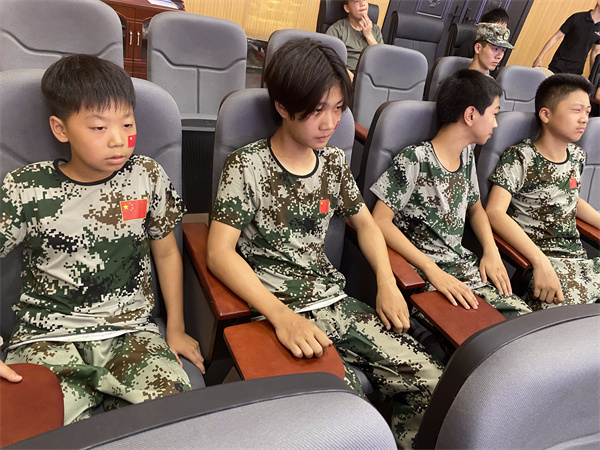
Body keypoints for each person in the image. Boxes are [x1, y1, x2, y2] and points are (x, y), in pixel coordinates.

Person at [206, 38, 442, 449]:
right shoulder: (247, 165)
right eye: (317, 110)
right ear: (283, 106)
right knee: (343, 420)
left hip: (334, 300)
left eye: (338, 109)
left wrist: (385, 281)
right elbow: (218, 252)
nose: (330, 123)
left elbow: (367, 225)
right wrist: (281, 316)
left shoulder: (332, 162)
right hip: (275, 309)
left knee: (432, 381)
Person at [0, 55, 204, 423]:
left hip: (132, 333)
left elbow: (166, 253)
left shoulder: (146, 176)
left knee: (174, 428)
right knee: (35, 431)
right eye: (98, 127)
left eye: (127, 123)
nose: (119, 140)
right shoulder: (25, 188)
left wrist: (176, 326)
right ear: (61, 129)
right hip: (46, 339)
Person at [371, 70, 531, 323]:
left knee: (524, 324)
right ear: (470, 115)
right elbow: (379, 221)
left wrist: (491, 251)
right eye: (494, 114)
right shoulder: (415, 159)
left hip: (465, 270)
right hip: (428, 278)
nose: (496, 124)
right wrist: (431, 269)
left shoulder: (466, 155)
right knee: (481, 335)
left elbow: (475, 209)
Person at [486, 74, 600, 310]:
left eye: (588, 112)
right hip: (540, 261)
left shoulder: (577, 156)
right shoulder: (521, 157)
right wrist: (539, 260)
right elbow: (495, 212)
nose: (584, 119)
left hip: (577, 261)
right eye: (576, 110)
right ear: (546, 114)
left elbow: (571, 199)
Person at [533, 1, 600, 76]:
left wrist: (593, 76)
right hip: (558, 65)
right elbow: (556, 37)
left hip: (576, 71)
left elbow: (595, 51)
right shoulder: (577, 18)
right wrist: (539, 57)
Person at [325, 0, 383, 80]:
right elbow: (330, 60)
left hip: (372, 78)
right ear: (347, 8)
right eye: (356, 1)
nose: (362, 4)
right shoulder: (337, 29)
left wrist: (369, 35)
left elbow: (381, 60)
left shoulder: (376, 30)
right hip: (347, 77)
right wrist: (352, 80)